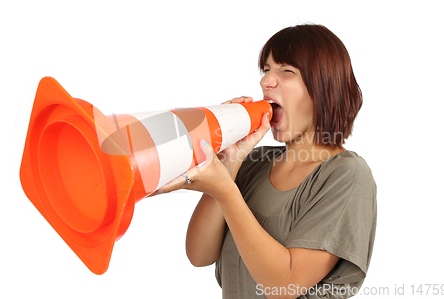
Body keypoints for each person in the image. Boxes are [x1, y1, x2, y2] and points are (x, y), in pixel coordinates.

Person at [157, 24, 377, 298]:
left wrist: (225, 190)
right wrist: (230, 161)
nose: (266, 81)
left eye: (287, 71)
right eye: (266, 70)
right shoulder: (256, 162)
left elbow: (284, 285)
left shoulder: (347, 175)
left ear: (324, 87)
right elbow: (199, 254)